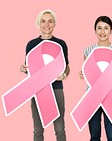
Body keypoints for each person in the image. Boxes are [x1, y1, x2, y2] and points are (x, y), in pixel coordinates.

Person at [20, 9, 70, 141]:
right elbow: (28, 67)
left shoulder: (61, 44)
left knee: (59, 128)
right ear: (39, 23)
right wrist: (23, 68)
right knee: (38, 130)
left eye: (50, 21)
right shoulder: (31, 45)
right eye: (43, 21)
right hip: (37, 90)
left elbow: (67, 67)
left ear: (54, 24)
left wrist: (64, 74)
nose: (46, 24)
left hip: (56, 88)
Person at [79, 16, 112, 141]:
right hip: (92, 98)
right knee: (94, 136)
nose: (102, 32)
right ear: (95, 30)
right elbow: (86, 72)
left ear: (111, 31)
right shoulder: (88, 51)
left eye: (106, 28)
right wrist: (82, 73)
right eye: (99, 28)